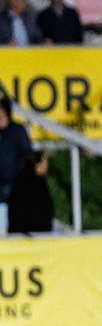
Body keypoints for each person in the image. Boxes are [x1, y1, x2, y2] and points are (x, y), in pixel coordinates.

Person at [0, 95, 52, 234]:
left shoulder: (17, 131)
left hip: (15, 184)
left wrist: (37, 163)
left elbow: (27, 153)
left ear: (5, 111)